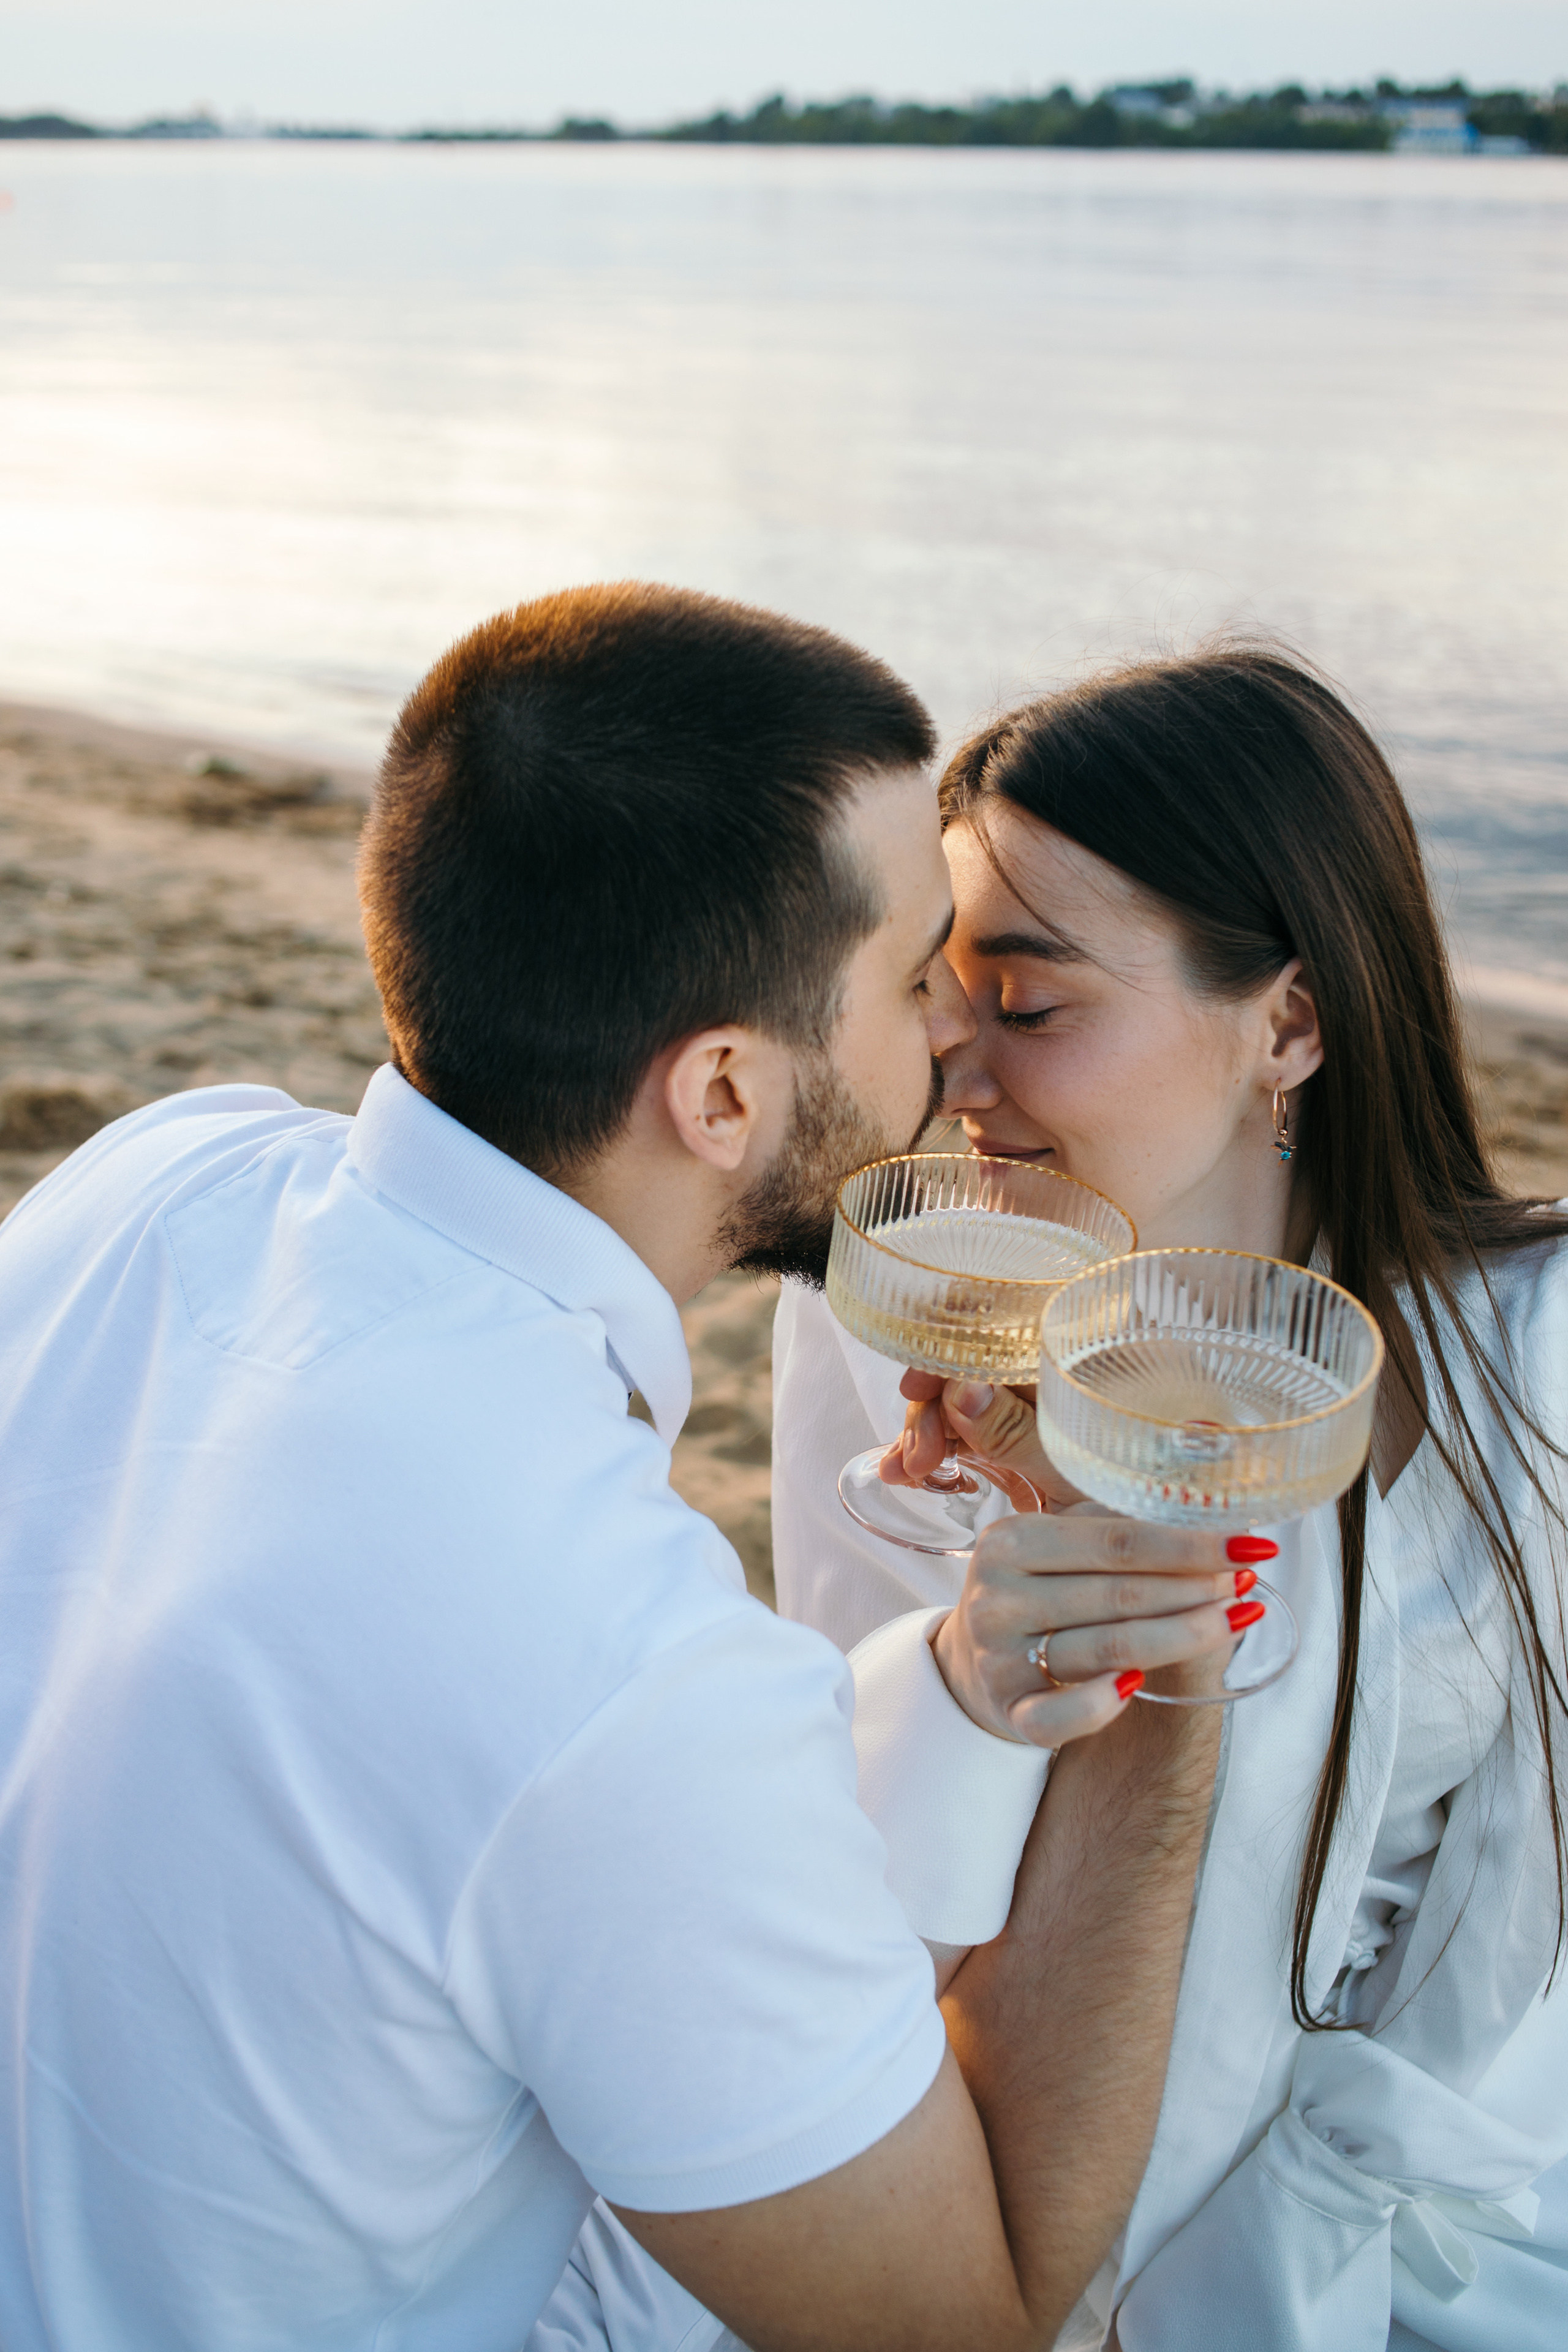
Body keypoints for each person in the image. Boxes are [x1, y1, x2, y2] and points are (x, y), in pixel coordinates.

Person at [0, 584, 1241, 2352]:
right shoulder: (626, 1669)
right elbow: (968, 2323)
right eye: (909, 982)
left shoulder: (157, 1174)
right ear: (725, 1094)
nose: (956, 1049)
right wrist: (1172, 1698)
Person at [772, 643, 1568, 2351]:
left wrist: (1237, 2292)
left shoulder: (1535, 1355)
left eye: (1032, 1006)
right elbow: (848, 1874)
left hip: (1394, 2235)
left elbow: (1501, 1951)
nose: (948, 1074)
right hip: (974, 2210)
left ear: (1287, 1022)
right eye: (935, 994)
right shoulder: (876, 1313)